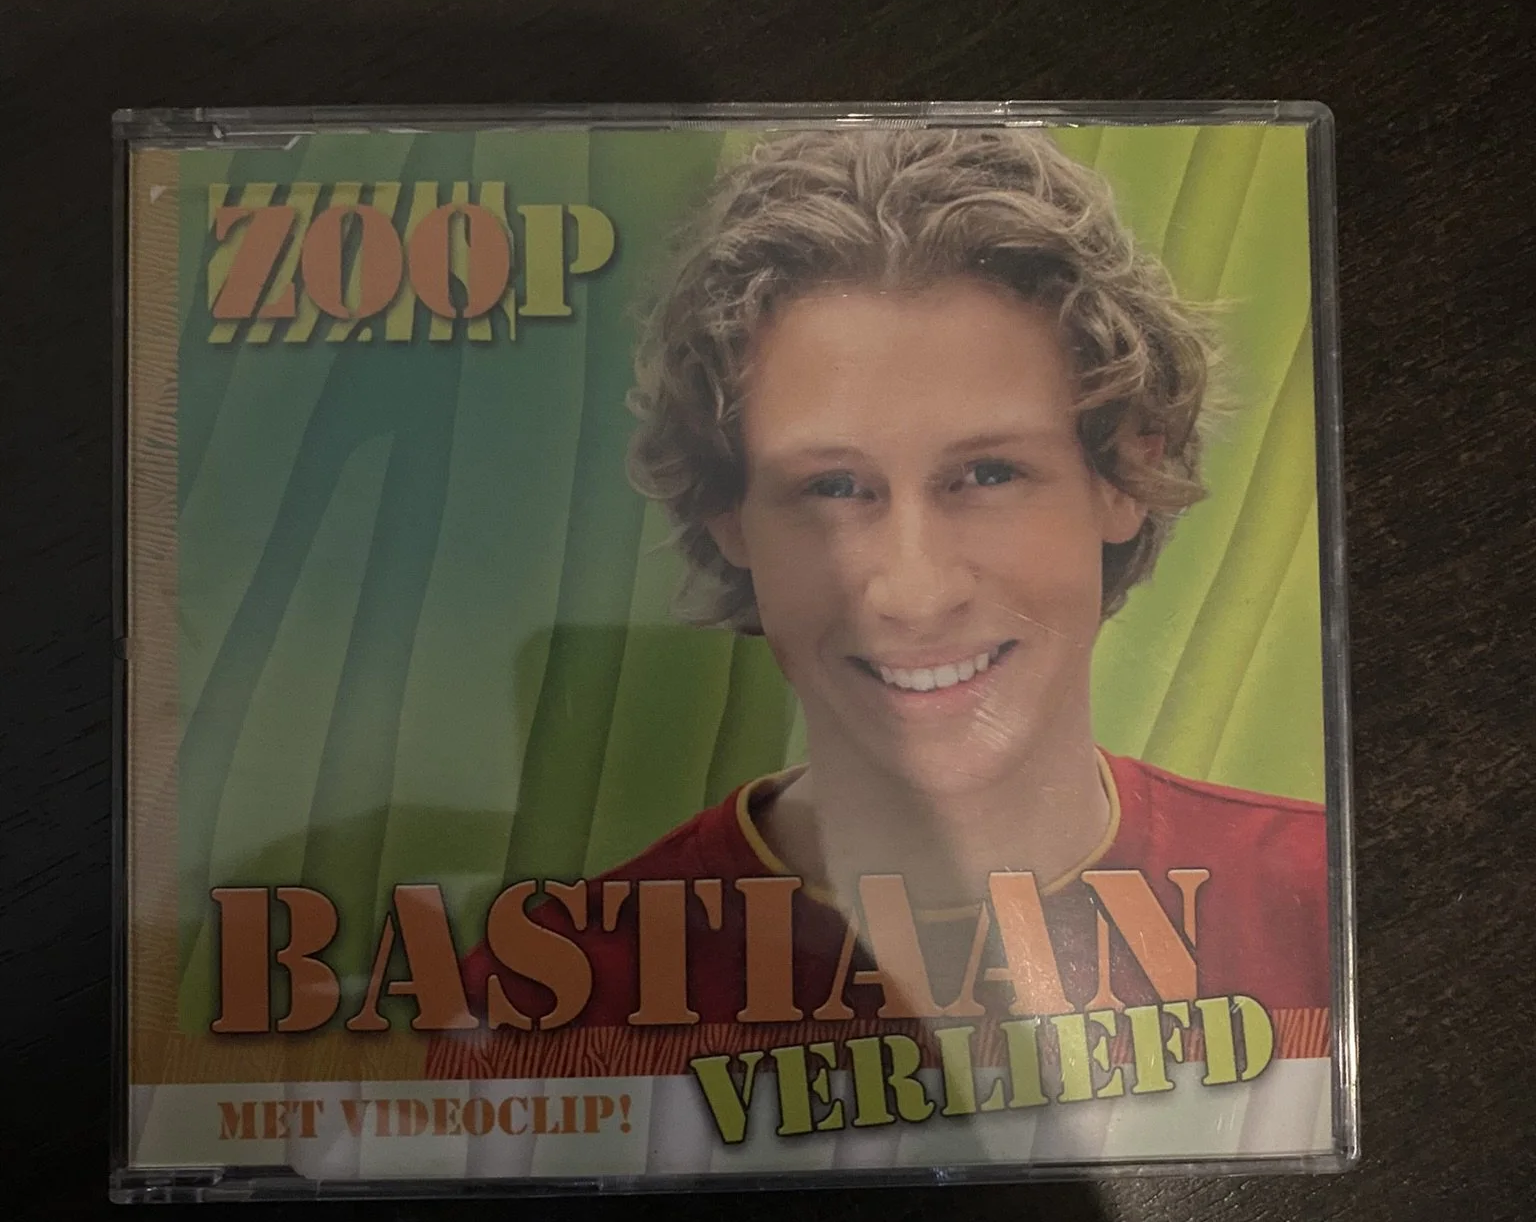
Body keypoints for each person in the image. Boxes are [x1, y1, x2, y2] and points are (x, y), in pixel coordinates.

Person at [431, 127, 1330, 1081]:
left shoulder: (1327, 907)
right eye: (831, 488)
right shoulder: (538, 1010)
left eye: (989, 473)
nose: (914, 592)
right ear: (729, 516)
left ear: (1124, 473)